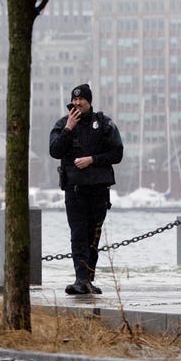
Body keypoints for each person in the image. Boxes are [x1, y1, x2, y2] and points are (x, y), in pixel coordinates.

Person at [49, 83, 124, 295]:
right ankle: (80, 279)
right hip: (75, 190)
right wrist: (68, 129)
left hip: (98, 190)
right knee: (78, 234)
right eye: (74, 100)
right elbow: (55, 151)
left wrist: (92, 160)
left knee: (93, 236)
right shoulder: (63, 124)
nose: (77, 103)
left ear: (89, 101)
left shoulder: (104, 124)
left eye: (81, 100)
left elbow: (117, 153)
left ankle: (88, 279)